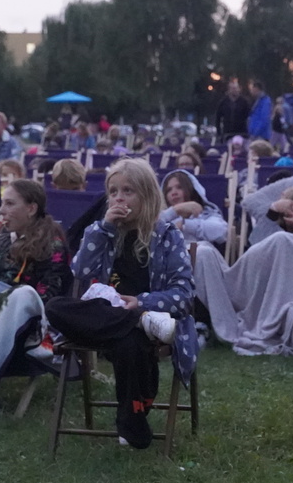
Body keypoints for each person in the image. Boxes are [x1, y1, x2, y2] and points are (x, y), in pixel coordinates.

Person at [46, 159, 196, 450]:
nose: (119, 198)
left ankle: (131, 418)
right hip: (108, 316)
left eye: (128, 191)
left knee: (130, 342)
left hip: (152, 318)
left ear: (147, 195)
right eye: (113, 192)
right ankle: (134, 323)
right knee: (54, 307)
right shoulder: (104, 232)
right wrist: (103, 229)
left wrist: (141, 302)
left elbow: (184, 295)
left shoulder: (168, 236)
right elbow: (80, 271)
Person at [0, 178, 71, 300]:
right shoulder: (3, 238)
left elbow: (45, 299)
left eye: (9, 204)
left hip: (13, 308)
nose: (1, 210)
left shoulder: (51, 245)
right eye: (2, 203)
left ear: (31, 209)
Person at [159, 168, 228, 248]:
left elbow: (221, 232)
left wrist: (185, 225)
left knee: (201, 249)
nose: (174, 193)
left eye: (179, 187)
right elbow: (150, 228)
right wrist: (176, 210)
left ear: (190, 189)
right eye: (169, 190)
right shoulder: (163, 217)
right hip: (170, 254)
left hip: (199, 253)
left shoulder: (205, 213)